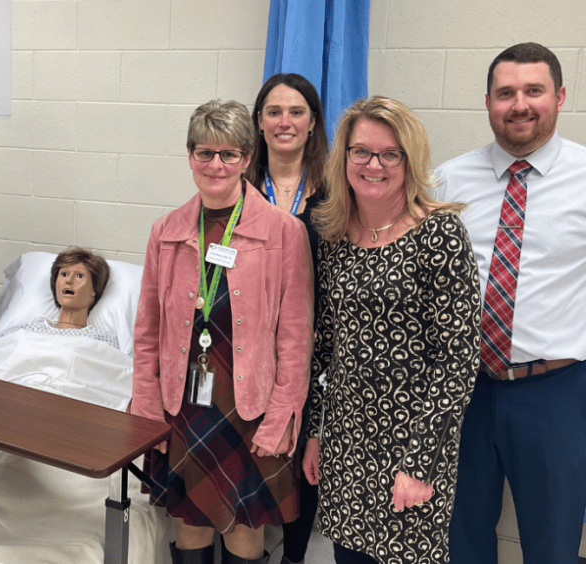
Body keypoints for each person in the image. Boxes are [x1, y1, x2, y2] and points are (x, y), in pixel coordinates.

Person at [131, 99, 313, 564]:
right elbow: (148, 330)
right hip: (184, 402)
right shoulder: (166, 231)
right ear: (190, 155)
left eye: (229, 154)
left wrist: (281, 419)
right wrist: (148, 409)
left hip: (248, 407)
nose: (216, 165)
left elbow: (295, 339)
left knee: (243, 533)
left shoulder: (283, 232)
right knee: (189, 526)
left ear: (248, 158)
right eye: (205, 153)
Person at [301, 97, 480, 564]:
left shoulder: (439, 233)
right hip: (346, 444)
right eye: (360, 151)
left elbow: (457, 360)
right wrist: (317, 432)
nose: (373, 164)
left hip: (411, 449)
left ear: (409, 159)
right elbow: (325, 349)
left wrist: (420, 465)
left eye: (389, 153)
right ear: (343, 159)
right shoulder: (335, 235)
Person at [436, 42, 586, 564]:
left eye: (533, 91)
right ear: (487, 102)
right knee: (460, 541)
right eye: (505, 93)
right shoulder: (450, 181)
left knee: (552, 544)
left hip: (556, 393)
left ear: (560, 96)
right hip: (464, 391)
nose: (519, 104)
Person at [245, 72, 329, 564]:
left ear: (313, 122)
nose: (284, 122)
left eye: (296, 112)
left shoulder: (337, 191)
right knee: (252, 448)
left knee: (302, 459)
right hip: (249, 344)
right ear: (258, 122)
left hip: (314, 345)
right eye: (274, 112)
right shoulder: (237, 186)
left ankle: (293, 557)